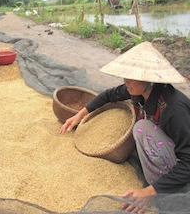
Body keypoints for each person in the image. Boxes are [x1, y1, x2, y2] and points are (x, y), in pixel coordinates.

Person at [60, 42, 190, 213]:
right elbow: (108, 95)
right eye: (125, 75)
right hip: (167, 148)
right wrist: (80, 114)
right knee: (140, 127)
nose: (125, 81)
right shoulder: (138, 90)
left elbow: (188, 161)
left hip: (183, 161)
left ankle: (160, 191)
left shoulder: (173, 109)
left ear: (148, 79)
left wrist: (150, 191)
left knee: (142, 128)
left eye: (131, 76)